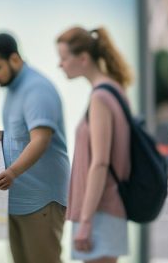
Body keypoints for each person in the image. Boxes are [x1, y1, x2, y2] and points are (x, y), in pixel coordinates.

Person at [0, 33, 70, 263]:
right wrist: (6, 135)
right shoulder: (13, 89)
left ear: (14, 59)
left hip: (40, 200)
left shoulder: (36, 89)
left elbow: (41, 139)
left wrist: (11, 172)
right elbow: (25, 131)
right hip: (18, 200)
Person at [57, 26, 134, 262]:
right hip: (106, 207)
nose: (60, 65)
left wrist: (86, 222)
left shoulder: (100, 97)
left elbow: (100, 162)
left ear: (83, 58)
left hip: (100, 210)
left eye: (63, 58)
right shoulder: (115, 90)